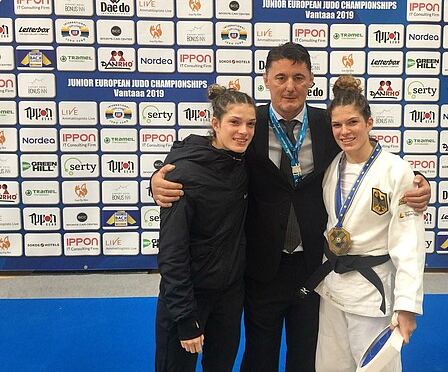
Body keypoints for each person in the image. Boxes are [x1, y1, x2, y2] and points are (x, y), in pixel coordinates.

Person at [151, 42, 431, 372]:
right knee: (259, 356)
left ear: (311, 79)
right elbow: (203, 151)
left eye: (298, 77)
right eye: (281, 77)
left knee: (308, 356)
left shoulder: (329, 123)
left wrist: (416, 180)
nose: (289, 86)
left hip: (314, 266)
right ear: (266, 80)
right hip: (261, 265)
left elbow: (367, 159)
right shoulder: (248, 124)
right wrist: (158, 176)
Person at [305, 76, 425, 372]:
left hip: (371, 293)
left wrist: (407, 305)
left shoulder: (396, 171)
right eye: (337, 125)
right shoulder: (332, 166)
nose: (344, 131)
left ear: (369, 123)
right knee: (330, 366)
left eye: (353, 122)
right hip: (333, 286)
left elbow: (409, 245)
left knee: (376, 367)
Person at [155, 85, 256, 372]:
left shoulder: (243, 162)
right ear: (216, 124)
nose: (243, 131)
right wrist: (185, 316)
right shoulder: (183, 173)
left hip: (229, 296)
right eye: (234, 122)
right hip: (189, 296)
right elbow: (172, 251)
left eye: (250, 124)